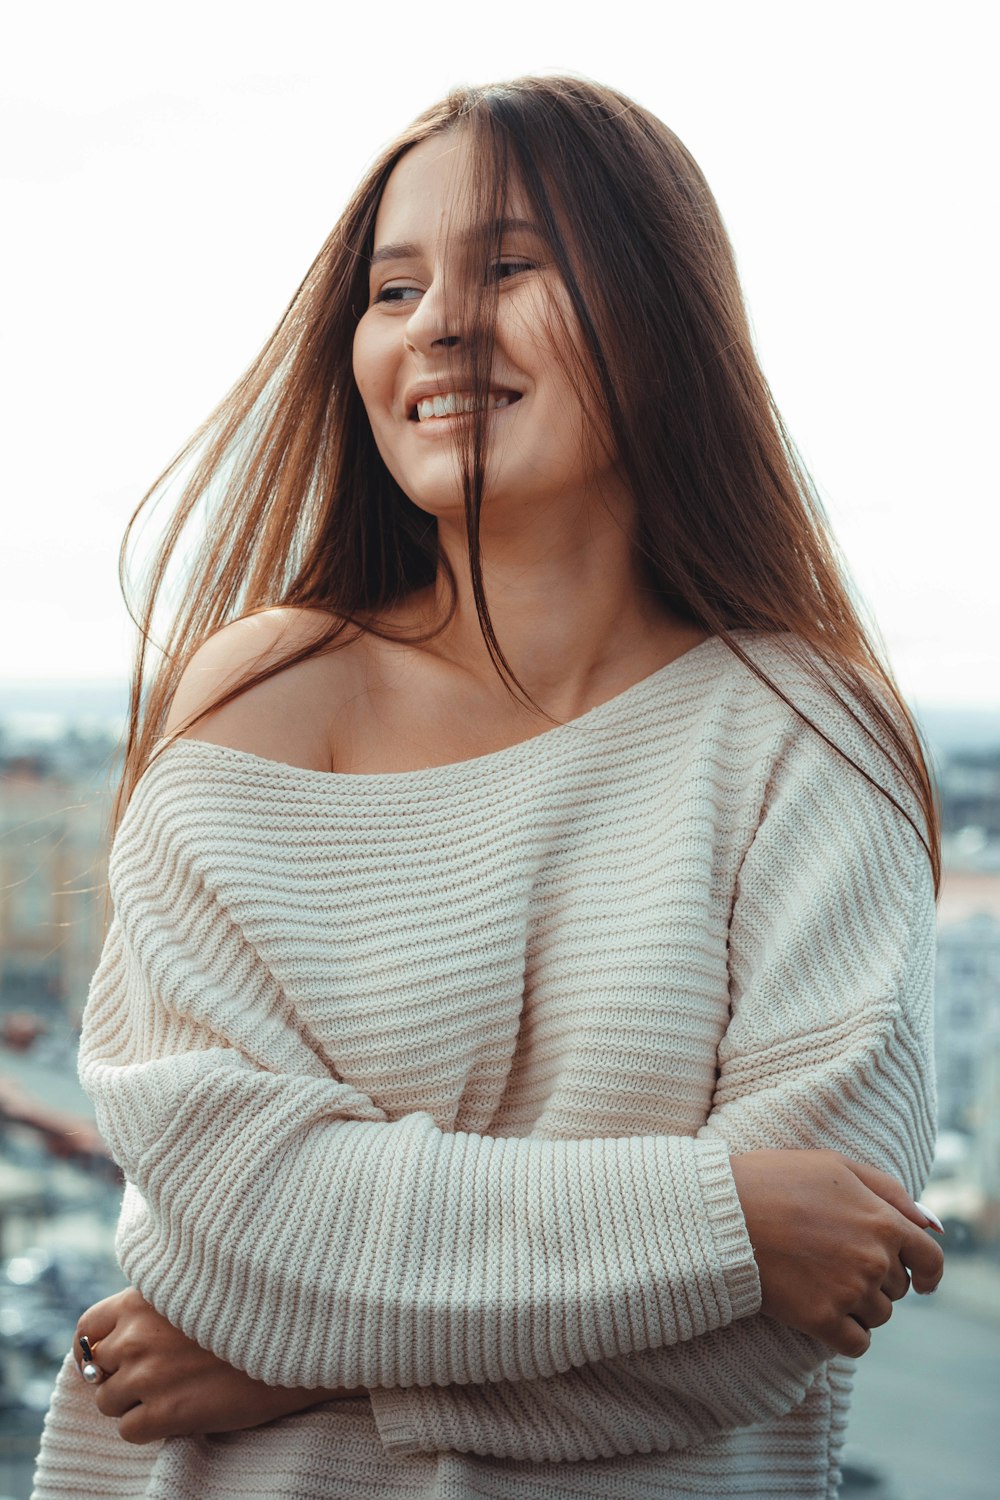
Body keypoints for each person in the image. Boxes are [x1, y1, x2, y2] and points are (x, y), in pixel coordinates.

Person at [32, 75, 944, 1500]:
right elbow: (222, 1224)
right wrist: (717, 1223)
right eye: (394, 289)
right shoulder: (258, 704)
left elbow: (806, 1293)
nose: (442, 321)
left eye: (511, 265)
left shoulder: (803, 738)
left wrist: (307, 1357)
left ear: (665, 313)